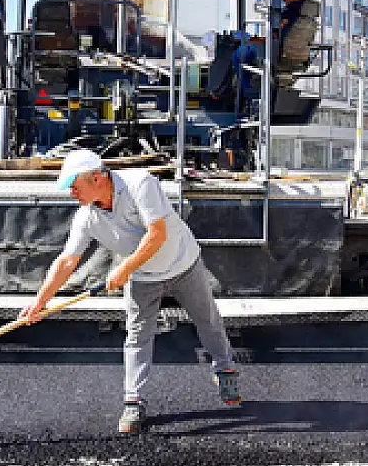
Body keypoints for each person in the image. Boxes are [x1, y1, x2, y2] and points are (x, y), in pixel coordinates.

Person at [21, 150, 240, 435]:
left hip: (184, 263)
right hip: (143, 277)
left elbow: (157, 234)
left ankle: (224, 369)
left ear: (96, 178)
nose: (71, 193)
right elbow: (65, 262)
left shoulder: (140, 183)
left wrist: (123, 270)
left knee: (207, 320)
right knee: (137, 335)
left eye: (75, 186)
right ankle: (133, 401)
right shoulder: (86, 217)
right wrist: (39, 302)